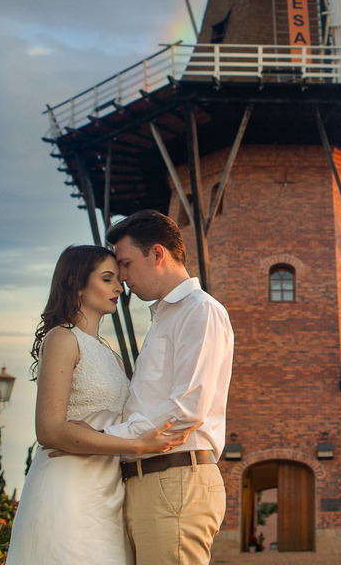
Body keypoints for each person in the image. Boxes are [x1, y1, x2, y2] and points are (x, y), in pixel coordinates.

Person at [5, 245, 193, 565]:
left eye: (118, 279)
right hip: (67, 484)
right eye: (107, 279)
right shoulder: (62, 338)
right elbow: (48, 429)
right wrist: (136, 445)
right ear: (76, 283)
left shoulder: (113, 357)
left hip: (108, 490)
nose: (119, 287)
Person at [103, 209, 235, 565]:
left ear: (157, 253)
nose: (122, 277)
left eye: (126, 263)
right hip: (155, 480)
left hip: (174, 481)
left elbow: (187, 408)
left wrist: (105, 440)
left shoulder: (200, 311)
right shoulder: (168, 315)